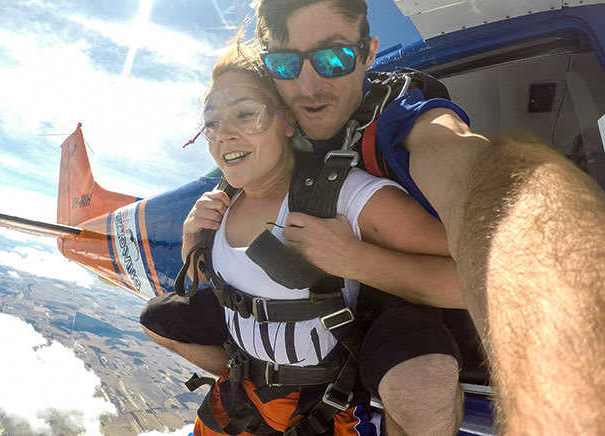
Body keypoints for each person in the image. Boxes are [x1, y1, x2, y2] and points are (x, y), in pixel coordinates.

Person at [252, 0, 605, 435]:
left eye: (334, 57)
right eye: (285, 63)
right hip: (309, 320)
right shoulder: (268, 128)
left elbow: (468, 170)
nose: (308, 85)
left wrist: (353, 259)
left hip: (394, 304)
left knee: (422, 391)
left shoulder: (400, 116)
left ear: (367, 53)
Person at [175, 40, 464, 436]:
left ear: (288, 121)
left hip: (321, 412)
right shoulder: (219, 207)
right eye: (211, 122)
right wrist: (192, 237)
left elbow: (478, 278)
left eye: (245, 114)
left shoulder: (341, 195)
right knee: (156, 319)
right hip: (240, 406)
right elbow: (217, 290)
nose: (223, 135)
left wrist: (355, 259)